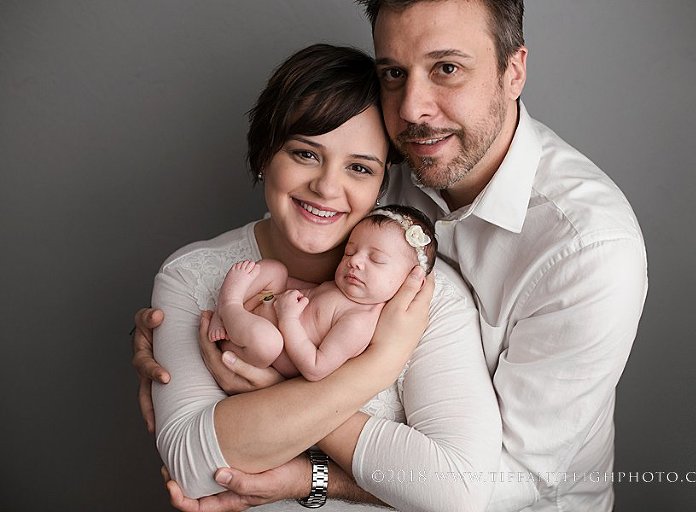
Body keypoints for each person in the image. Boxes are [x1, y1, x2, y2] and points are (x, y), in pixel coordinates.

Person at [135, 1, 648, 510]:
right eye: (394, 73)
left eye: (447, 69)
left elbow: (492, 485)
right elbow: (190, 455)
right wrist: (179, 330)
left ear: (513, 71)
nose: (412, 108)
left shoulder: (590, 251)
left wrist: (304, 449)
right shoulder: (399, 164)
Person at [140, 42, 501, 511]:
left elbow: (458, 491)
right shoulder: (191, 276)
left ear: (382, 182)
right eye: (306, 154)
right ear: (267, 150)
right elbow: (193, 468)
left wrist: (278, 399)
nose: (328, 187)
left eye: (358, 167)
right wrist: (380, 364)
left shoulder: (421, 298)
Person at [208, 205, 437, 385]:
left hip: (255, 347)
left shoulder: (359, 321)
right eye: (350, 252)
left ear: (410, 279)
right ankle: (228, 306)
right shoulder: (339, 287)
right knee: (276, 269)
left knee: (268, 341)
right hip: (255, 314)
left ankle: (230, 306)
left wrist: (288, 319)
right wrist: (276, 286)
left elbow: (316, 368)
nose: (354, 261)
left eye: (376, 259)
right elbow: (301, 291)